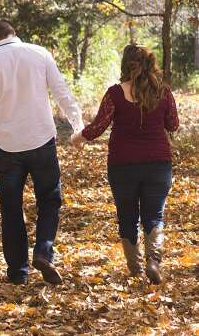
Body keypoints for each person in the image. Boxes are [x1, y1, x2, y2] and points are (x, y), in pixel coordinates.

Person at [0, 20, 84, 285]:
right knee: (50, 200)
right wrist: (79, 127)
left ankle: (18, 272)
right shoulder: (39, 53)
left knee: (11, 208)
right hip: (41, 141)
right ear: (14, 34)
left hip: (8, 148)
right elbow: (62, 93)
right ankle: (43, 251)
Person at [71, 44, 179, 284]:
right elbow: (173, 125)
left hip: (123, 165)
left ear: (125, 65)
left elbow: (99, 126)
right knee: (154, 215)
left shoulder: (115, 93)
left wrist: (79, 137)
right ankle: (154, 261)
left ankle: (136, 269)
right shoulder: (164, 92)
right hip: (158, 164)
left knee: (127, 216)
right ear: (151, 64)